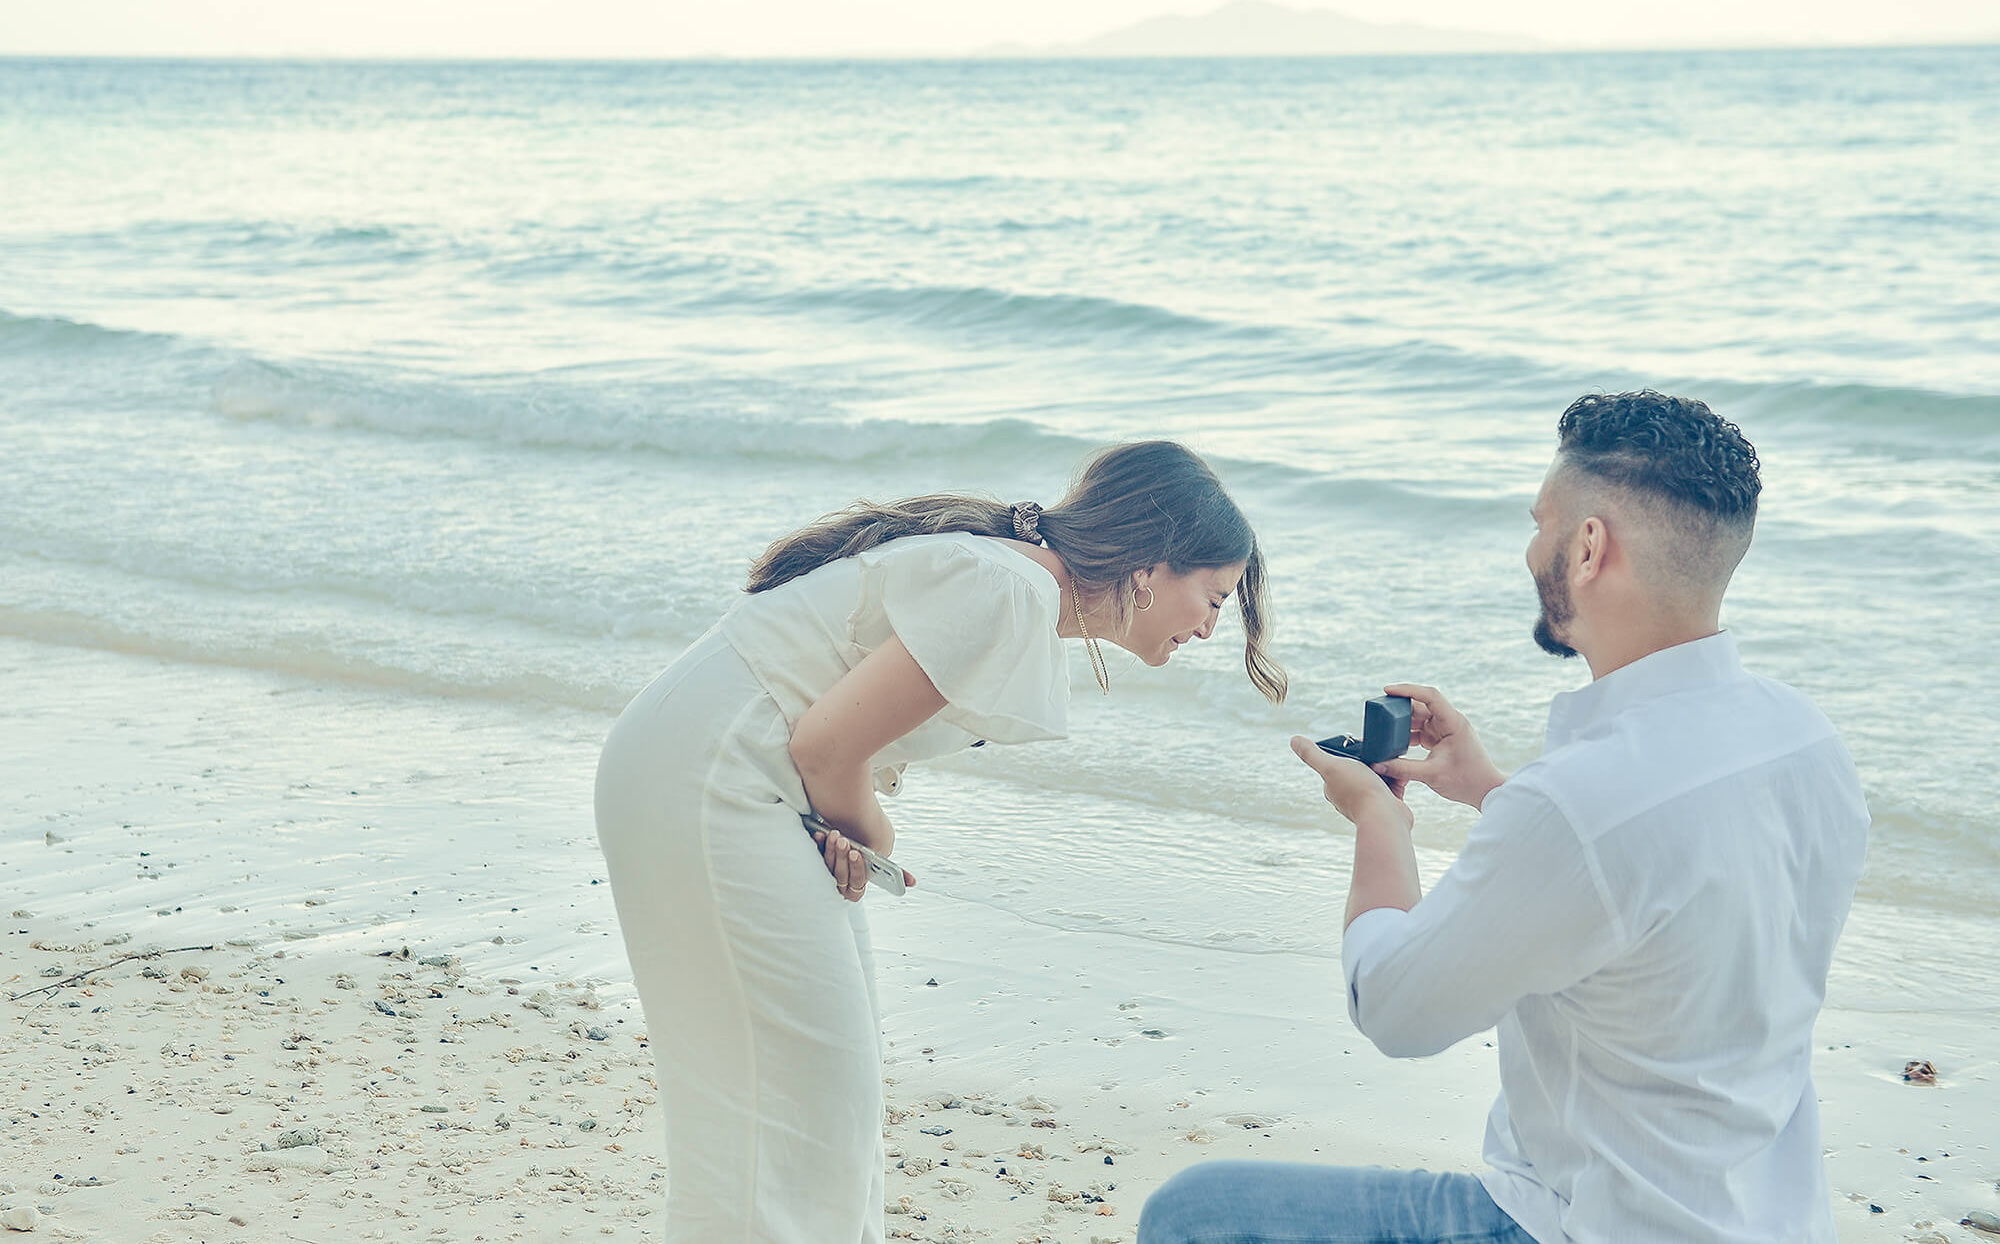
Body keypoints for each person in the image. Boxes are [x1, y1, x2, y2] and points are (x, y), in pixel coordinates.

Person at [1140, 391, 1869, 1244]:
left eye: (1541, 523)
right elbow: (1660, 886)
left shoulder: (1579, 803)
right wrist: (1492, 790)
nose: (1533, 548)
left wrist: (1379, 822)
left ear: (1589, 547)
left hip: (1584, 1226)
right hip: (1770, 1222)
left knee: (1197, 1214)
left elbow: (1397, 1009)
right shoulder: (1804, 741)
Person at [595, 439, 1286, 1244]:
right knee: (790, 1098)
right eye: (1213, 596)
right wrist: (866, 836)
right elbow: (825, 748)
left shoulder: (1012, 581)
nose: (1210, 627)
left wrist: (848, 831)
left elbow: (826, 748)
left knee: (816, 1094)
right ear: (1149, 567)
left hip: (728, 773)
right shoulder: (1011, 589)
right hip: (708, 776)